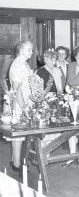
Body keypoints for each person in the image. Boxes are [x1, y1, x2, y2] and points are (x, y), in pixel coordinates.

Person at [8, 40, 34, 171]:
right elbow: (16, 90)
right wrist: (24, 107)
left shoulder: (24, 63)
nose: (31, 52)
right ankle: (17, 165)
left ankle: (17, 160)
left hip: (26, 102)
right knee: (18, 134)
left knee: (22, 134)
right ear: (21, 50)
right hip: (20, 103)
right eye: (29, 49)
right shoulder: (18, 65)